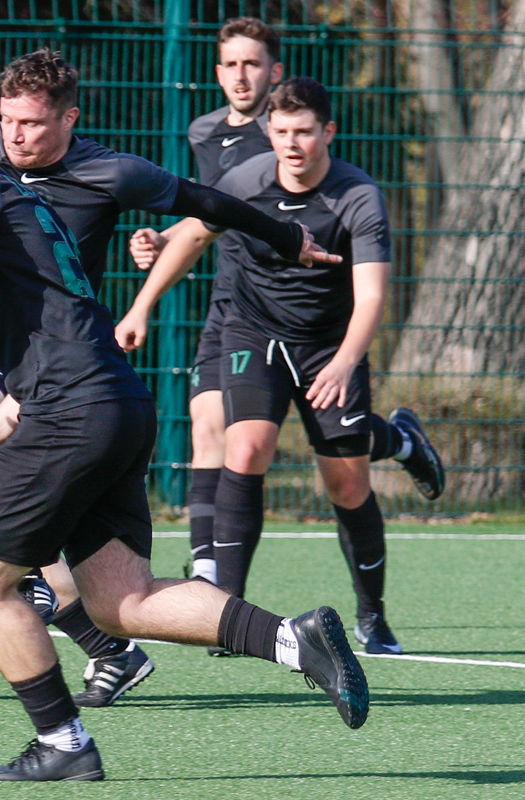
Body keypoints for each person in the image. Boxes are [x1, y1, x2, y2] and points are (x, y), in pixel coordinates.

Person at [0, 68, 368, 783]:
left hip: (69, 410)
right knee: (123, 600)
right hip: (111, 402)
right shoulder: (27, 200)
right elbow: (56, 338)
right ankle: (292, 639)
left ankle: (63, 740)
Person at [0, 47, 344, 706]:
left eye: (33, 123)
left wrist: (285, 237)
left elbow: (205, 201)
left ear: (69, 119)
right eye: (7, 121)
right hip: (1, 351)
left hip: (61, 364)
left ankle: (56, 707)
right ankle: (126, 636)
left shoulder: (106, 172)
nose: (16, 135)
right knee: (117, 598)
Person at [129, 18, 445, 600]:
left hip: (320, 324)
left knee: (342, 471)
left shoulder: (329, 169)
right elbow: (206, 220)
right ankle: (214, 586)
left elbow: (369, 289)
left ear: (275, 74)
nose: (240, 75)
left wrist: (346, 358)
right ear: (217, 72)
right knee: (221, 435)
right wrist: (156, 255)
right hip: (240, 309)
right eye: (231, 64)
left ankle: (397, 451)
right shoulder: (209, 136)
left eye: (252, 63)